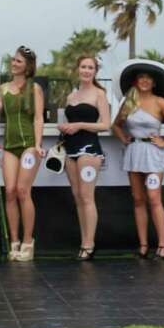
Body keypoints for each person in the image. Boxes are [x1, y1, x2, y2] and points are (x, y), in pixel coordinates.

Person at [110, 59, 164, 260]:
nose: (144, 81)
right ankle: (143, 244)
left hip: (153, 154)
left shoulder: (160, 102)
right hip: (134, 152)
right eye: (141, 77)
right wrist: (124, 138)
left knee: (154, 199)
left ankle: (163, 244)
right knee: (138, 199)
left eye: (148, 78)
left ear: (154, 83)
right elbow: (116, 125)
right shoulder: (128, 101)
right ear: (136, 81)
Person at [0, 46, 44, 261]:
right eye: (13, 60)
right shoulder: (3, 87)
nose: (14, 64)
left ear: (28, 66)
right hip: (9, 145)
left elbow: (39, 118)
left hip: (29, 145)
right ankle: (14, 241)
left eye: (19, 61)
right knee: (10, 191)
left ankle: (28, 241)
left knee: (23, 190)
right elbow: (1, 116)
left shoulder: (35, 88)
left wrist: (39, 144)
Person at [57, 56, 110, 261]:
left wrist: (79, 125)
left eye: (91, 67)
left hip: (89, 149)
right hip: (70, 149)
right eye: (83, 67)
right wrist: (66, 127)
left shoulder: (100, 94)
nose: (87, 70)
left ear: (95, 71)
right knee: (78, 197)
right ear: (77, 69)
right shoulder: (71, 95)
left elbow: (105, 124)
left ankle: (90, 244)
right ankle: (83, 241)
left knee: (87, 197)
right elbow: (67, 121)